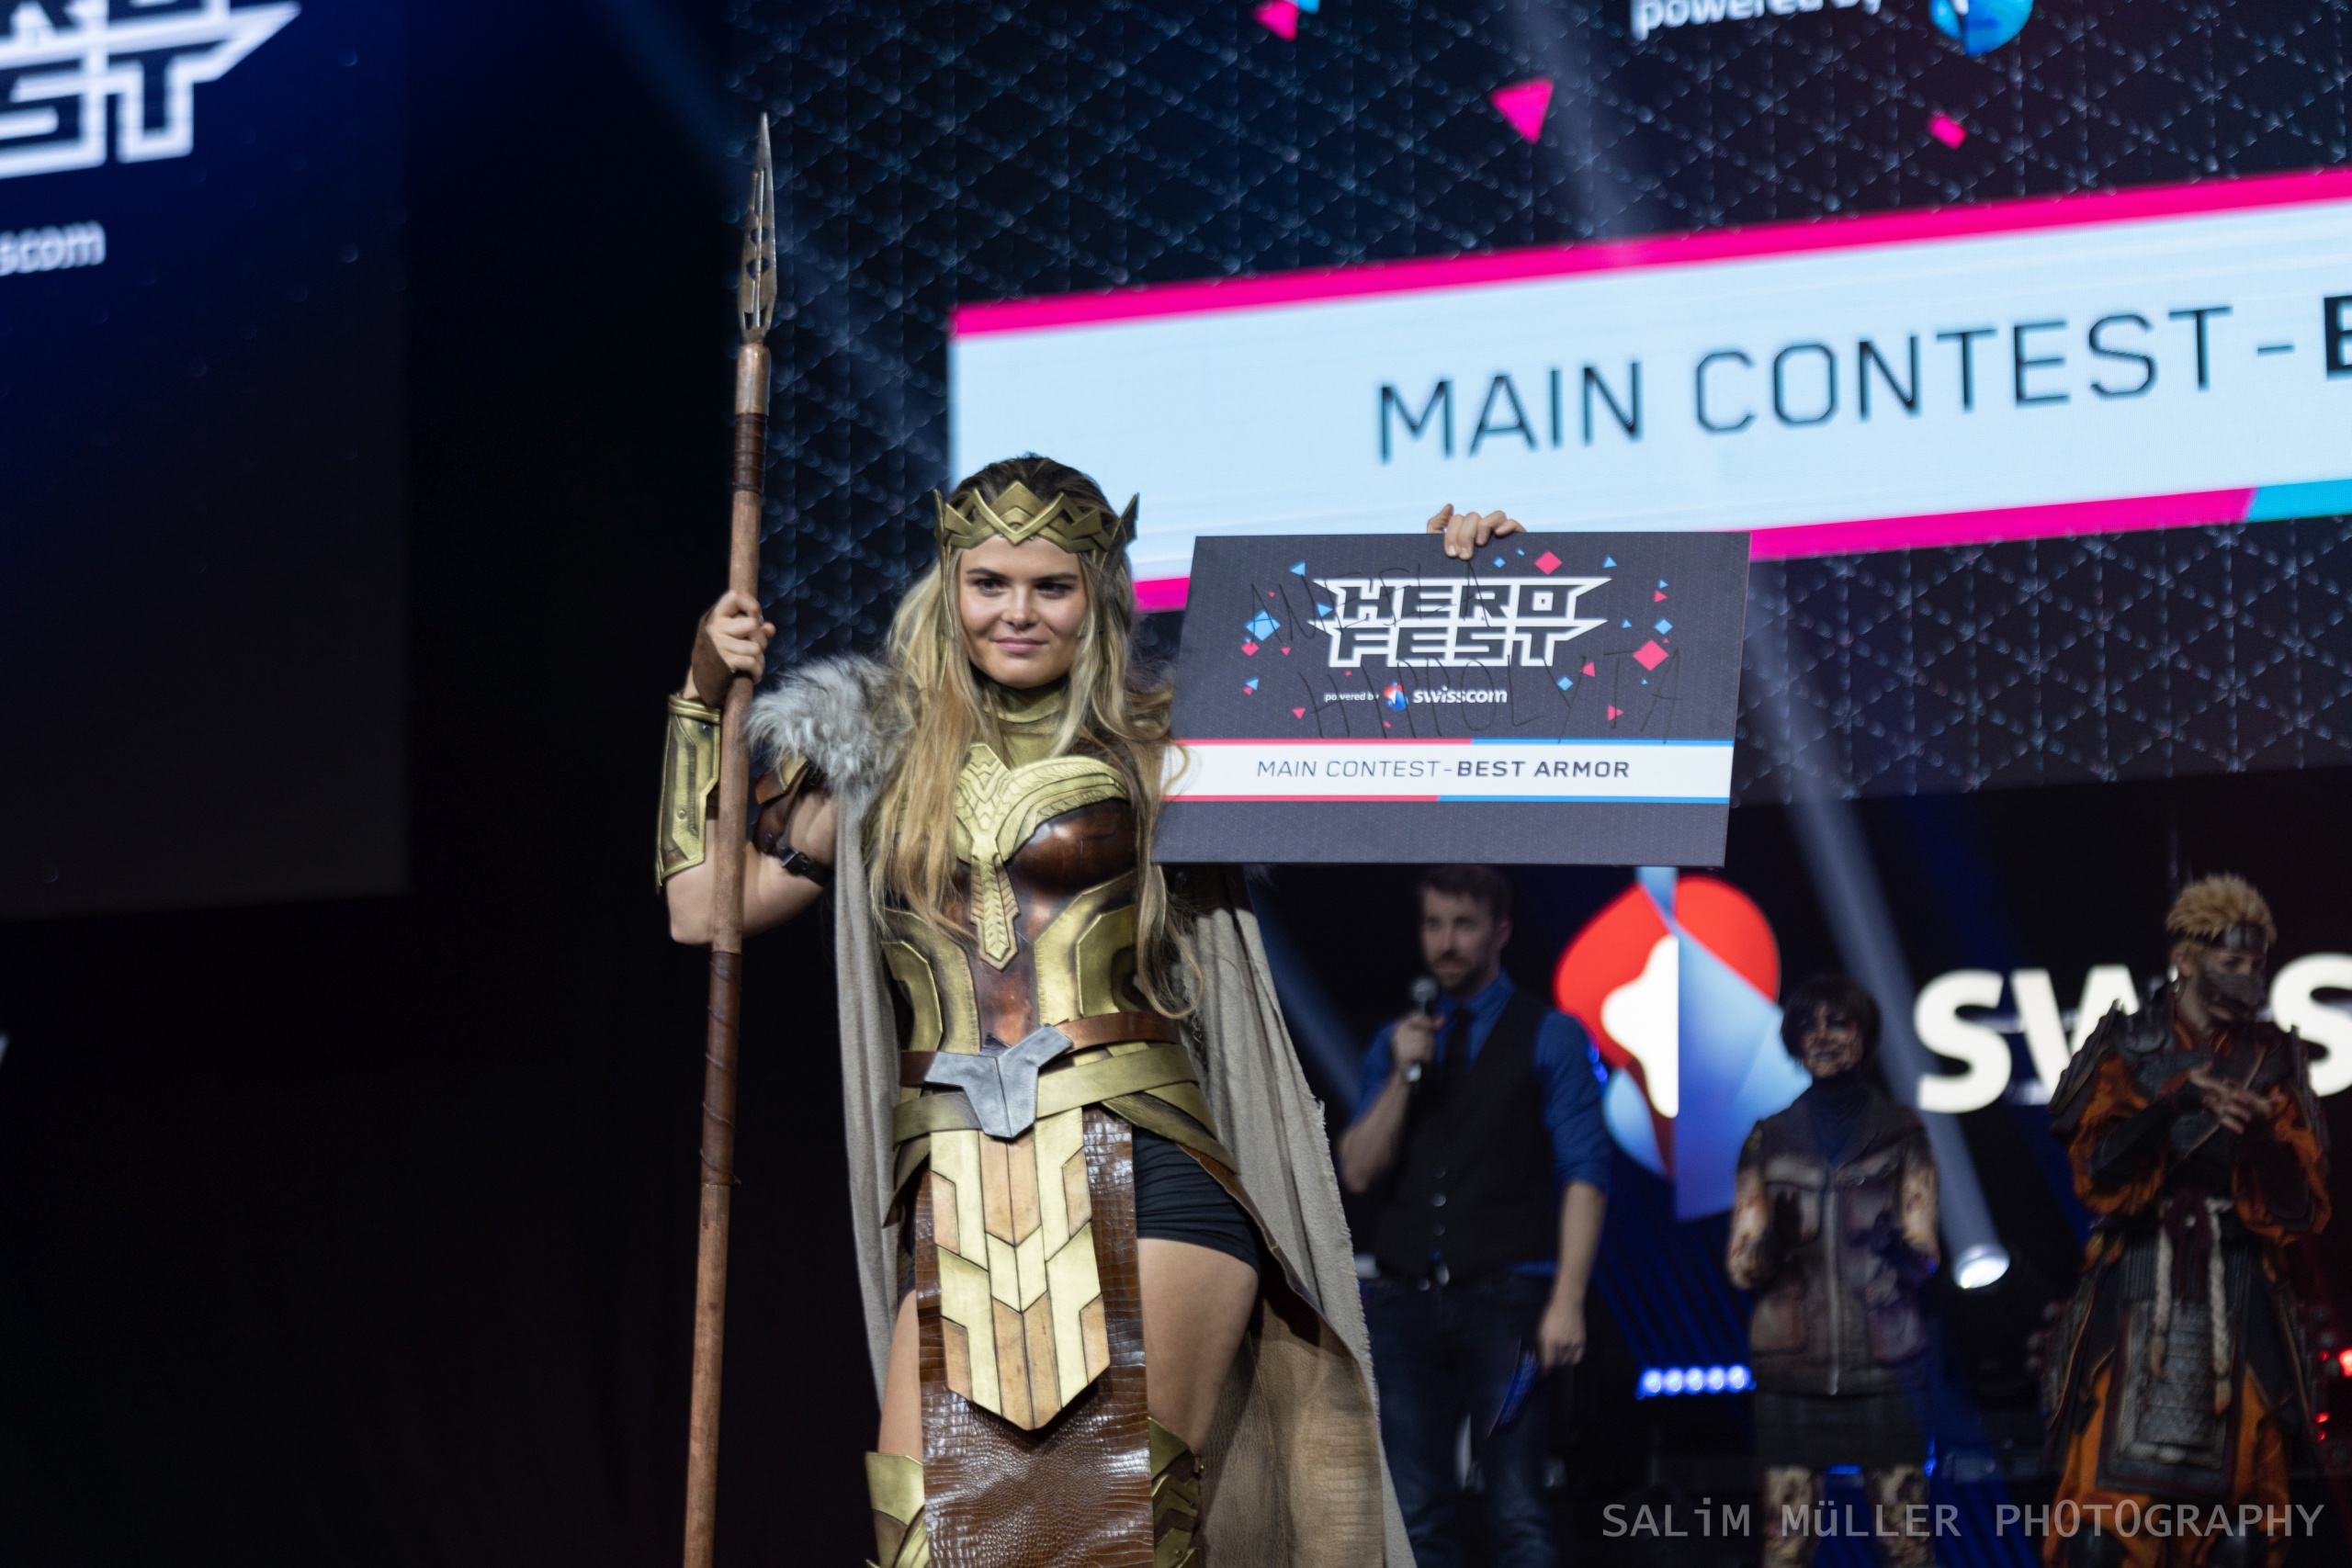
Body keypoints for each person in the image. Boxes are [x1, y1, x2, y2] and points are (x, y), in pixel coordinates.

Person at [659, 455, 1425, 1567]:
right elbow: (700, 908)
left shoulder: (1162, 748)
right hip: (963, 1180)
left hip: (1148, 1163)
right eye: (990, 583)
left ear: (1097, 598)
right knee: (926, 1542)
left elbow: (1396, 745)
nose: (1017, 611)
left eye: (1051, 586)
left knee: (1114, 1538)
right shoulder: (874, 750)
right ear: (949, 589)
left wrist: (1458, 581)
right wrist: (697, 698)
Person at [2041, 875, 2329, 1568]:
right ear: (2186, 957)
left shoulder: (2276, 1058)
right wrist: (2173, 1104)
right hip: (2136, 1287)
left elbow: (2303, 1206)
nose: (2246, 977)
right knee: (2099, 1541)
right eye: (2231, 962)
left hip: (2239, 1285)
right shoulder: (2127, 1044)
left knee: (2240, 1535)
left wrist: (2263, 1136)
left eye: (2256, 964)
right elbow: (2097, 1169)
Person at [1338, 864, 1612, 1568]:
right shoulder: (1396, 1039)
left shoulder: (1550, 1033)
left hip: (1507, 1298)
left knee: (1516, 1505)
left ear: (1501, 930)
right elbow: (1358, 1170)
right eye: (1434, 924)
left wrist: (1568, 1300)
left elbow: (1586, 1171)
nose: (1446, 942)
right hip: (1403, 1300)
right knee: (1414, 1509)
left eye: (1463, 924)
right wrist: (1401, 1076)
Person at [1725, 976, 1940, 1568]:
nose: (1821, 1036)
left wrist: (1899, 1249)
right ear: (1794, 1041)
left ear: (1863, 1035)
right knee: (1786, 1548)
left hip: (1887, 1365)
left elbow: (1925, 1255)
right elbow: (1742, 1267)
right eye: (1808, 1025)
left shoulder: (1903, 1133)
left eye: (1837, 1022)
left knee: (1908, 1547)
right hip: (1791, 1370)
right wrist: (1772, 1242)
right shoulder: (1767, 1139)